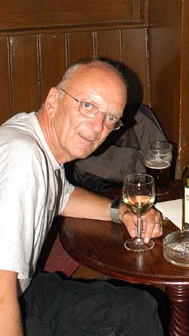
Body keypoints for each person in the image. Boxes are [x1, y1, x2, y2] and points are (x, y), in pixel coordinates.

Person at [0, 59, 164, 336]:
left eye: (110, 118)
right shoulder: (23, 158)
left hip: (22, 287)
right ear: (53, 100)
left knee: (136, 309)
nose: (98, 126)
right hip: (9, 298)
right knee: (133, 318)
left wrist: (121, 211)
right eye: (87, 106)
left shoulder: (32, 140)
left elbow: (62, 196)